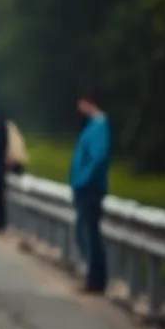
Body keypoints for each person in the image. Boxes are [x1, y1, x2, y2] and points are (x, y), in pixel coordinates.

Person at [70, 91, 111, 294]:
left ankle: (95, 280)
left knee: (89, 234)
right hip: (84, 187)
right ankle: (93, 278)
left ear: (89, 103)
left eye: (82, 104)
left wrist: (83, 180)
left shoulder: (99, 125)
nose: (79, 109)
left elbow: (97, 158)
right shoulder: (93, 126)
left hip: (90, 188)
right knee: (84, 232)